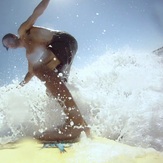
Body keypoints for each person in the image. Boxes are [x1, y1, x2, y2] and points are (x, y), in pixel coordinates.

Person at [2, 0, 90, 142]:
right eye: (7, 47)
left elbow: (36, 13)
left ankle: (76, 122)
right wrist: (19, 86)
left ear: (13, 37)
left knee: (39, 69)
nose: (10, 46)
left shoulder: (23, 31)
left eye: (9, 42)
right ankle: (78, 123)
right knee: (50, 88)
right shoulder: (29, 54)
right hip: (63, 51)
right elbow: (30, 73)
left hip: (62, 41)